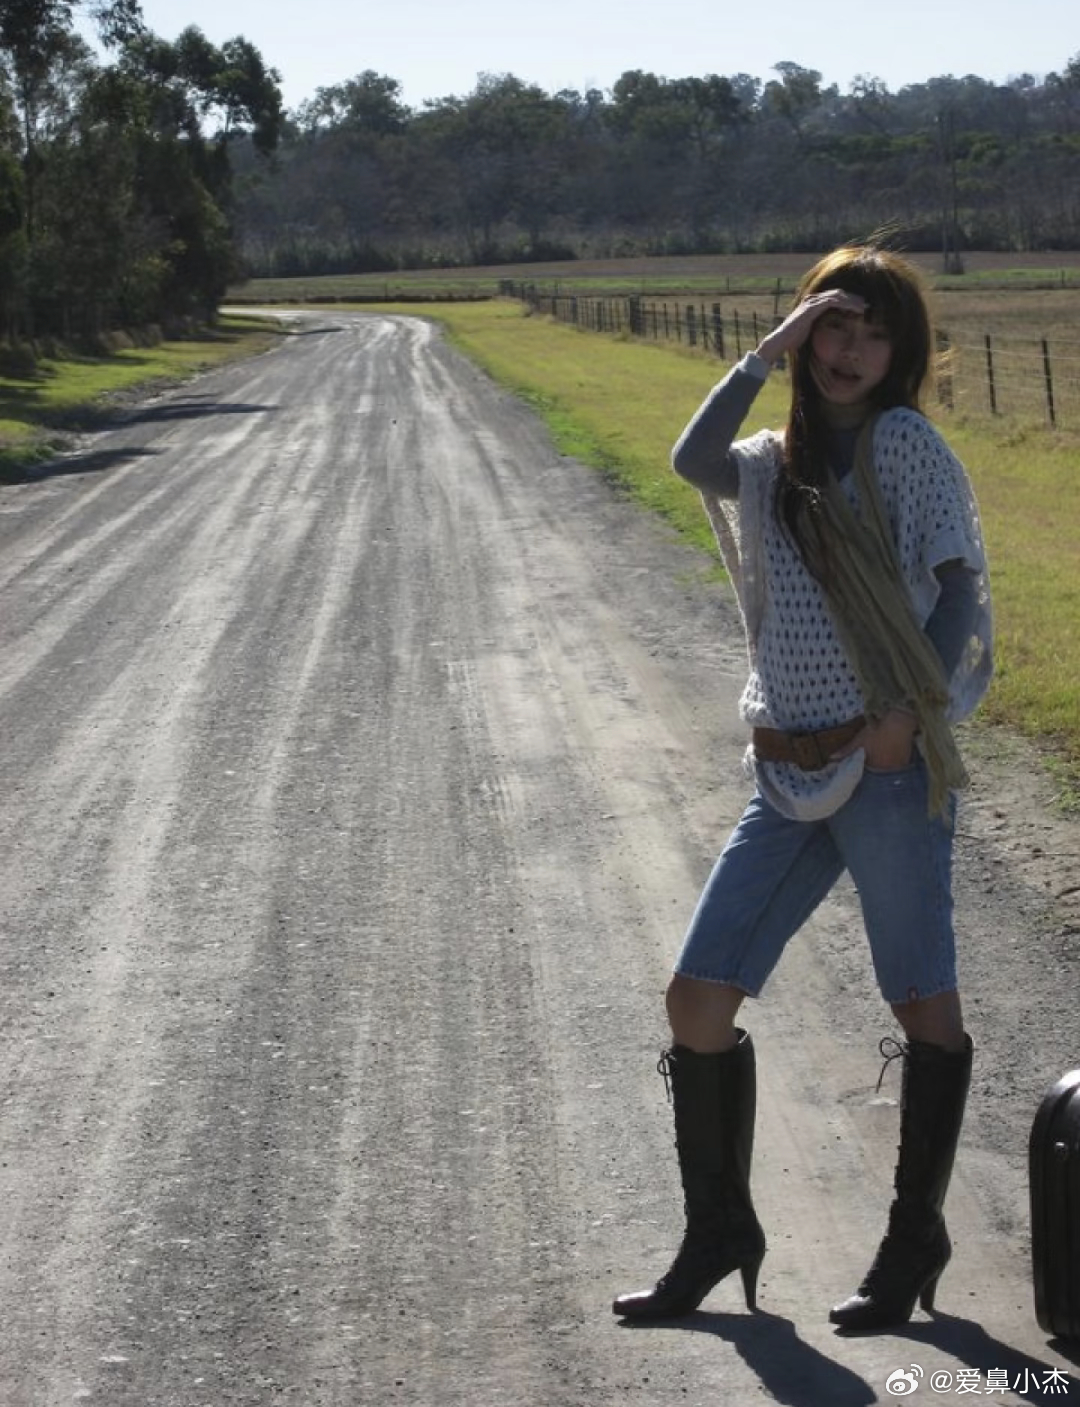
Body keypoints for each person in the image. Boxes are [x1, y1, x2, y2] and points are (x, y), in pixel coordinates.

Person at [612, 244, 993, 1331]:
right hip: (787, 767)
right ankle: (721, 1232)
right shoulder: (775, 460)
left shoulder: (906, 444)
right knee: (697, 1000)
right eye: (833, 327)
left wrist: (901, 721)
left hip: (886, 767)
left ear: (900, 350)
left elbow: (961, 595)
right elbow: (692, 459)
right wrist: (761, 353)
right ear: (805, 336)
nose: (849, 352)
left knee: (922, 1002)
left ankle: (913, 1238)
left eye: (873, 333)